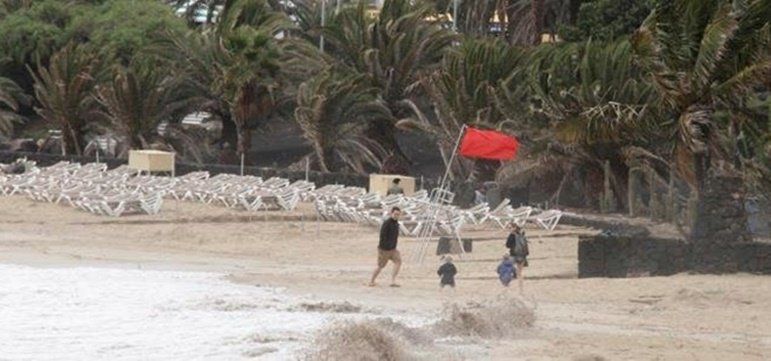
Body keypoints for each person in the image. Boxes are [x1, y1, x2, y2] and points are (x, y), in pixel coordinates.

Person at [369, 207, 402, 287]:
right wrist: (386, 247)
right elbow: (382, 236)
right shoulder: (387, 223)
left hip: (393, 249)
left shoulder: (396, 223)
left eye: (398, 215)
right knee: (380, 266)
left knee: (398, 261)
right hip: (384, 249)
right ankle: (372, 281)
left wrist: (393, 246)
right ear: (391, 213)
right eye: (395, 214)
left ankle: (393, 281)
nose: (396, 216)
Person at [505, 223, 529, 292]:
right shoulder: (521, 235)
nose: (509, 229)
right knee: (520, 273)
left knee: (507, 269)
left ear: (514, 228)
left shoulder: (512, 235)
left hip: (514, 255)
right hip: (522, 256)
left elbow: (508, 245)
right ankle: (521, 289)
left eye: (510, 228)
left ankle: (508, 288)